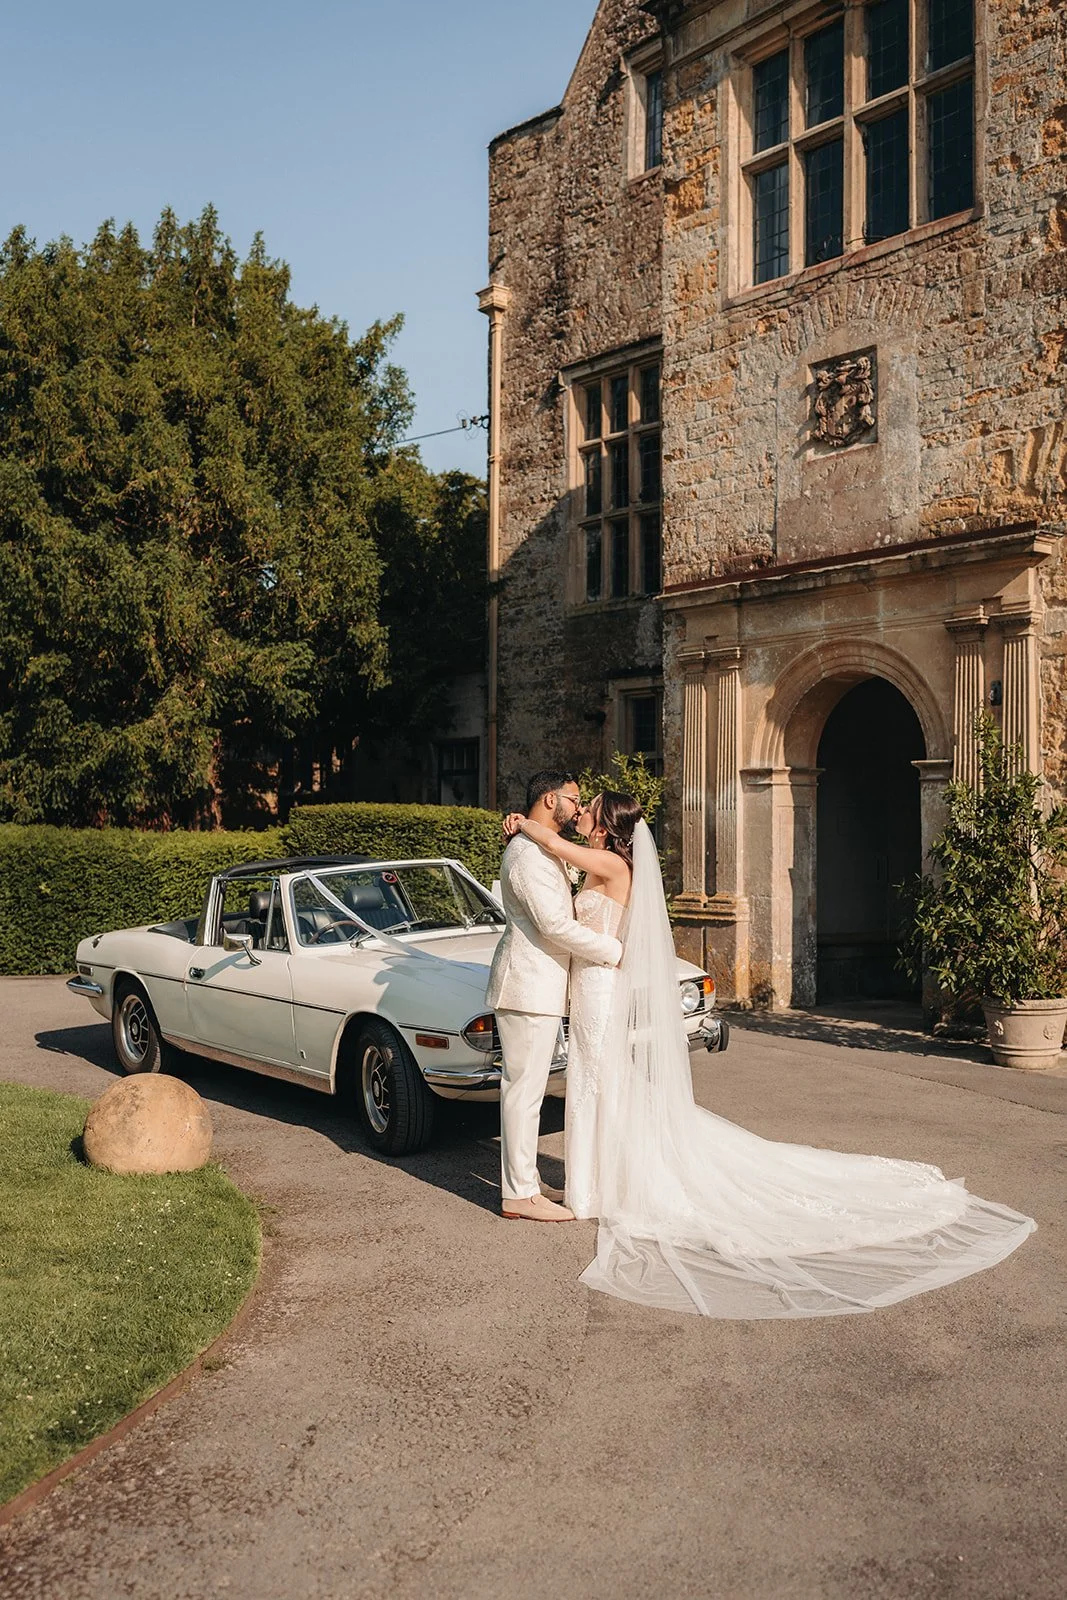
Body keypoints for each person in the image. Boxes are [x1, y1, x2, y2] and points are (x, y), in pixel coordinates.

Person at [505, 792, 1036, 1318]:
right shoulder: (606, 863)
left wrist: (520, 823)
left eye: (588, 805)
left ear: (604, 822)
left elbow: (551, 843)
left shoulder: (608, 862)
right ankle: (593, 1184)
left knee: (600, 1083)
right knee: (603, 1085)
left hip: (598, 986)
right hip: (592, 987)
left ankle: (593, 1190)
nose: (582, 810)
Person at [487, 770, 623, 1223]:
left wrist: (526, 825)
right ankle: (519, 1195)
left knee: (529, 1092)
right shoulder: (527, 856)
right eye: (573, 799)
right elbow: (554, 926)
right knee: (523, 1093)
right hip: (527, 986)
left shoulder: (540, 847)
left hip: (542, 985)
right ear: (551, 799)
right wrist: (613, 951)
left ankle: (523, 1182)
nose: (579, 807)